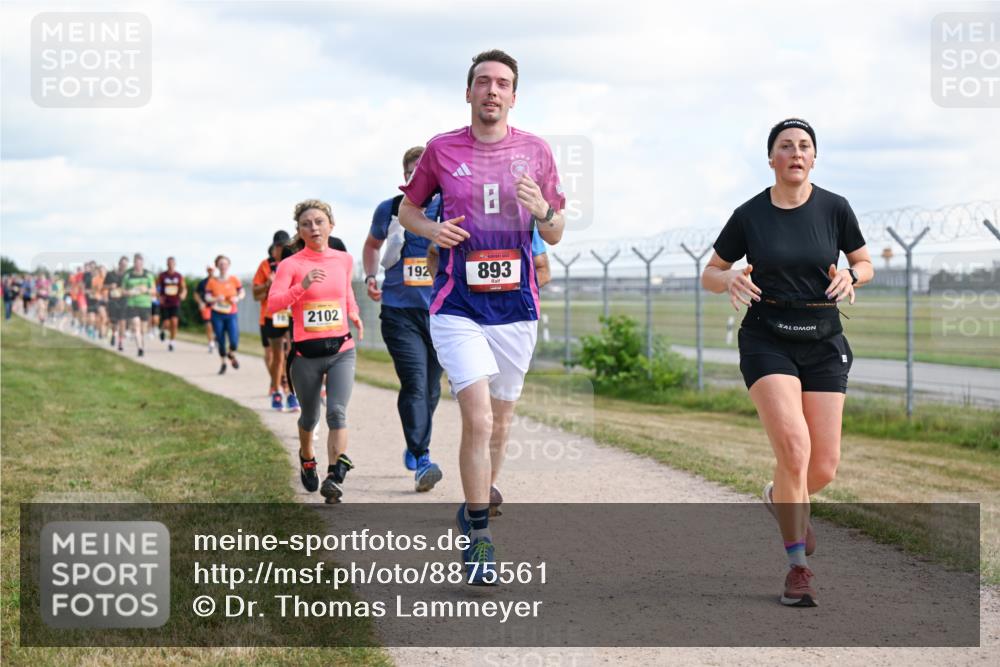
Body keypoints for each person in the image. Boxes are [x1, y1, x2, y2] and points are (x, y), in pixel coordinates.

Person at [399, 50, 566, 584]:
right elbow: (409, 208)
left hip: (516, 307)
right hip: (458, 305)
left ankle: (477, 499)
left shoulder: (536, 151)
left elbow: (558, 229)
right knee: (478, 417)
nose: (492, 91)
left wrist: (542, 210)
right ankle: (478, 536)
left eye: (503, 84)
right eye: (483, 82)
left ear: (514, 96)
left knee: (501, 424)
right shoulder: (441, 150)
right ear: (468, 92)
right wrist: (431, 231)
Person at [701, 118, 874, 608]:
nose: (796, 152)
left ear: (814, 158)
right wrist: (730, 276)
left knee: (822, 466)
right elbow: (709, 274)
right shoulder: (750, 214)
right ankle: (798, 567)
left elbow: (865, 262)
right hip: (767, 338)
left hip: (823, 339)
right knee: (794, 447)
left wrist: (852, 275)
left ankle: (780, 498)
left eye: (804, 146)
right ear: (772, 157)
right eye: (786, 146)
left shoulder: (835, 209)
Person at [268, 199, 363, 503]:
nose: (314, 228)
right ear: (299, 231)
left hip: (342, 349)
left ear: (330, 226)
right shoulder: (290, 265)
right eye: (306, 223)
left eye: (319, 222)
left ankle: (335, 476)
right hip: (305, 355)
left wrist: (355, 312)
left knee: (336, 411)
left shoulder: (344, 260)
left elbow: (345, 292)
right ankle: (307, 458)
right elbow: (274, 304)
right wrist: (302, 286)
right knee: (309, 417)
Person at [363, 146, 445, 493]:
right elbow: (371, 246)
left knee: (431, 387)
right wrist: (370, 277)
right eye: (414, 171)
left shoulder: (449, 206)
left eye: (425, 170)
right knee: (414, 381)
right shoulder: (391, 209)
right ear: (406, 176)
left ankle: (415, 441)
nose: (419, 175)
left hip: (442, 313)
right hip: (399, 312)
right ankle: (422, 455)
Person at [254, 231, 300, 412]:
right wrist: (268, 285)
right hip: (272, 315)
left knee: (292, 355)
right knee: (277, 356)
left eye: (285, 246)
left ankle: (291, 393)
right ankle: (277, 391)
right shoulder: (265, 266)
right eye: (278, 246)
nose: (281, 249)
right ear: (273, 248)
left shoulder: (294, 263)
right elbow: (255, 294)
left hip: (291, 314)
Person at [205, 255, 245, 374]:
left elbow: (242, 292)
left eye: (225, 264)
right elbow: (207, 297)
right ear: (217, 266)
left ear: (229, 265)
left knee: (234, 340)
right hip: (217, 314)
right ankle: (223, 362)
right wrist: (215, 298)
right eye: (221, 264)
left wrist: (237, 298)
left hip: (231, 313)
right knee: (221, 340)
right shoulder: (212, 281)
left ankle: (231, 354)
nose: (223, 266)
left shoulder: (234, 279)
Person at [122, 253, 156, 357]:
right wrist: (129, 292)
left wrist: (146, 289)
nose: (138, 265)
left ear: (142, 263)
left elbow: (154, 290)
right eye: (136, 263)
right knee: (136, 325)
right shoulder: (128, 276)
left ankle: (142, 344)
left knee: (143, 329)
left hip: (145, 304)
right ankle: (140, 348)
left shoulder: (148, 275)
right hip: (132, 304)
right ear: (134, 263)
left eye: (140, 263)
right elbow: (122, 290)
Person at [157, 256, 187, 352]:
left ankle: (172, 341)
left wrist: (183, 294)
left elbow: (184, 288)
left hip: (175, 302)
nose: (171, 265)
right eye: (169, 263)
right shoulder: (162, 276)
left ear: (175, 264)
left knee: (174, 322)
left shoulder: (178, 276)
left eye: (172, 263)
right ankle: (162, 330)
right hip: (165, 303)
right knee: (166, 323)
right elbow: (156, 287)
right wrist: (158, 297)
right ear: (167, 264)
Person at [105, 256, 129, 351]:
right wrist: (110, 286)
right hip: (113, 301)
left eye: (125, 265)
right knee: (114, 322)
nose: (123, 266)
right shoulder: (110, 274)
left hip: (124, 300)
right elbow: (103, 286)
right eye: (122, 264)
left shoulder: (128, 276)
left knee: (122, 321)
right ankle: (113, 334)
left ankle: (120, 342)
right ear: (119, 264)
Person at [193, 266, 216, 353]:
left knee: (216, 325)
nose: (211, 271)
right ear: (207, 271)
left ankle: (215, 338)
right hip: (206, 306)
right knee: (208, 325)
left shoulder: (218, 281)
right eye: (209, 270)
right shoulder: (203, 282)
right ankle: (211, 343)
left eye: (212, 270)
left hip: (217, 307)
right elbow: (196, 294)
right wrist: (200, 302)